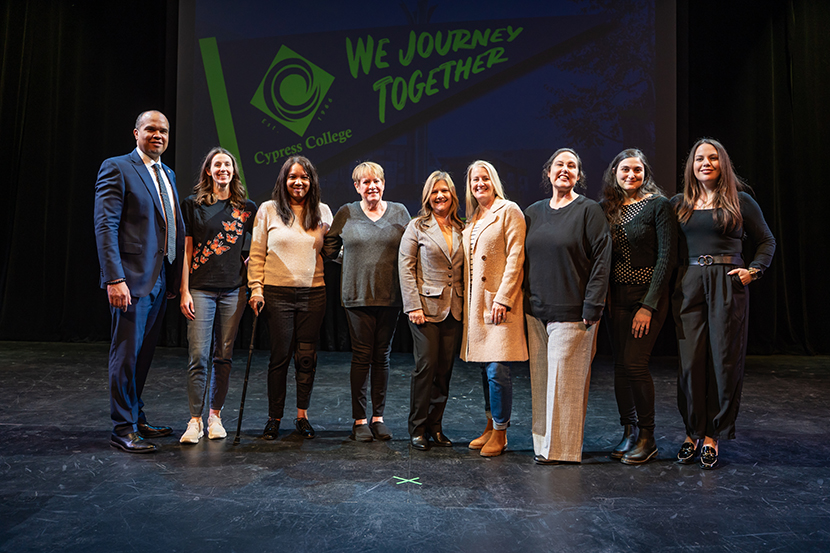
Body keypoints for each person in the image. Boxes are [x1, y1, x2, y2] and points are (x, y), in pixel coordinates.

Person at [672, 138, 775, 469]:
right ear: (691, 165)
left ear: (722, 164)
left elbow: (766, 241)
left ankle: (713, 436)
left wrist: (755, 271)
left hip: (727, 282)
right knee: (690, 364)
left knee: (723, 361)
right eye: (699, 158)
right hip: (689, 283)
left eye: (713, 158)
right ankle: (692, 432)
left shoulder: (739, 200)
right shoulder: (679, 203)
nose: (705, 163)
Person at [94, 110, 184, 453]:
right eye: (151, 129)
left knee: (143, 353)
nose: (158, 135)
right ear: (136, 133)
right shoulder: (116, 167)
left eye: (163, 130)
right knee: (126, 353)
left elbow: (169, 224)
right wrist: (114, 278)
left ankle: (136, 415)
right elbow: (105, 226)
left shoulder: (168, 173)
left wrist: (174, 275)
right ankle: (122, 427)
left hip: (160, 277)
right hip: (130, 279)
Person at [524, 148, 611, 465]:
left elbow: (602, 260)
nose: (565, 169)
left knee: (565, 383)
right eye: (559, 164)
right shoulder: (533, 212)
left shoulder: (589, 211)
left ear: (578, 176)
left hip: (574, 312)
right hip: (535, 311)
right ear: (548, 173)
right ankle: (542, 445)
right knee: (543, 381)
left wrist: (593, 306)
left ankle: (560, 451)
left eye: (571, 166)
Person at [324, 162, 411, 442]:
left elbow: (409, 249)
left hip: (390, 295)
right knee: (362, 356)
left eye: (377, 181)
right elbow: (330, 247)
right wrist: (349, 263)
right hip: (356, 295)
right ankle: (360, 419)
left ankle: (378, 418)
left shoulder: (400, 212)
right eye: (365, 182)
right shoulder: (347, 212)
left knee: (382, 356)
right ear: (357, 187)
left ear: (384, 184)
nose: (372, 186)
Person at [247, 156, 332, 440]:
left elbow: (329, 252)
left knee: (306, 358)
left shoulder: (322, 212)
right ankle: (274, 417)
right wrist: (256, 288)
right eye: (293, 177)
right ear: (284, 181)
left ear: (312, 181)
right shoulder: (268, 210)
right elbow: (257, 252)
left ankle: (302, 416)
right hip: (277, 293)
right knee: (280, 356)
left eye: (305, 177)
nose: (299, 182)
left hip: (313, 293)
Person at [600, 149, 676, 464]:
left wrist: (649, 304)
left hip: (647, 297)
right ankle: (628, 430)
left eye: (637, 170)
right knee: (620, 366)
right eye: (625, 170)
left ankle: (648, 436)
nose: (631, 175)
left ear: (645, 173)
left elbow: (666, 257)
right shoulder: (607, 209)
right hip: (616, 297)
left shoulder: (659, 206)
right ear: (614, 172)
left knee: (635, 364)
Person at [178, 148, 256, 444]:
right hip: (200, 288)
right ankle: (195, 421)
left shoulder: (246, 207)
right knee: (198, 356)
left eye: (228, 164)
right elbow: (187, 250)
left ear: (233, 171)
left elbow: (258, 244)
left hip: (234, 291)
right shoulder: (193, 204)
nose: (223, 169)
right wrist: (184, 289)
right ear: (208, 171)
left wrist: (250, 263)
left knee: (223, 357)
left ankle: (215, 417)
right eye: (217, 164)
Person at [460, 160, 527, 457]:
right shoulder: (473, 216)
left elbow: (516, 257)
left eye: (484, 178)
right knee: (485, 369)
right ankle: (489, 425)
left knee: (498, 369)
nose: (479, 183)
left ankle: (501, 432)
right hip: (477, 306)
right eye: (475, 179)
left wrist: (503, 298)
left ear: (494, 181)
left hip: (499, 304)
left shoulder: (508, 210)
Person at [398, 171, 464, 450]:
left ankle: (436, 427)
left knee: (444, 370)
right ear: (428, 196)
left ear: (452, 196)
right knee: (425, 367)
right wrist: (413, 306)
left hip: (455, 309)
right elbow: (406, 267)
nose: (440, 196)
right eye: (435, 192)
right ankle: (417, 428)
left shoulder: (463, 227)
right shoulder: (417, 227)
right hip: (424, 309)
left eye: (445, 192)